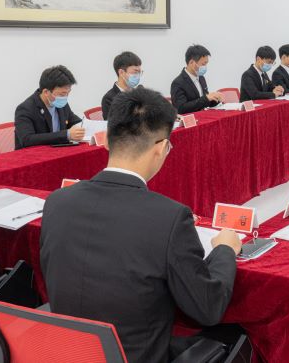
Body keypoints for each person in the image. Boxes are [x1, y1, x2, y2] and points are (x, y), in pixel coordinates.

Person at [40, 88, 241, 363]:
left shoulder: (57, 202)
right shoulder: (170, 218)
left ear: (107, 140)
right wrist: (225, 250)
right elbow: (207, 307)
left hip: (68, 353)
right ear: (161, 148)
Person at [15, 65, 83, 149]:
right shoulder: (25, 109)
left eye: (68, 93)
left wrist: (87, 126)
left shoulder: (61, 104)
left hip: (58, 152)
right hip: (34, 154)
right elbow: (27, 139)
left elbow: (75, 122)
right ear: (46, 92)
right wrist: (67, 134)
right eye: (62, 94)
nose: (65, 97)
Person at [170, 45, 222, 114]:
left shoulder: (201, 78)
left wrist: (215, 99)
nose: (205, 67)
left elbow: (204, 102)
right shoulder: (178, 83)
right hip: (191, 119)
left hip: (203, 116)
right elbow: (181, 108)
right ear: (191, 62)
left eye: (206, 64)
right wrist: (206, 98)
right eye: (203, 64)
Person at [102, 51, 143, 120]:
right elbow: (112, 124)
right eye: (135, 72)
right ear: (121, 72)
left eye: (139, 72)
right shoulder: (109, 98)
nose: (138, 76)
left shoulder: (139, 94)